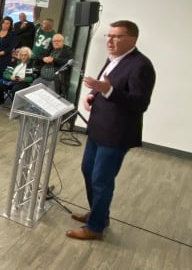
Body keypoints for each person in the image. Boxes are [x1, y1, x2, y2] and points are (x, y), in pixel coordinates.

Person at [66, 20, 156, 240]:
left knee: (101, 179)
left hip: (116, 134)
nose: (110, 41)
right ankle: (99, 214)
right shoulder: (113, 59)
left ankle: (96, 228)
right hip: (98, 128)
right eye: (109, 36)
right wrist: (92, 95)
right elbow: (104, 86)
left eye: (117, 37)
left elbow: (139, 103)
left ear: (132, 40)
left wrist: (108, 90)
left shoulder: (141, 65)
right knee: (88, 171)